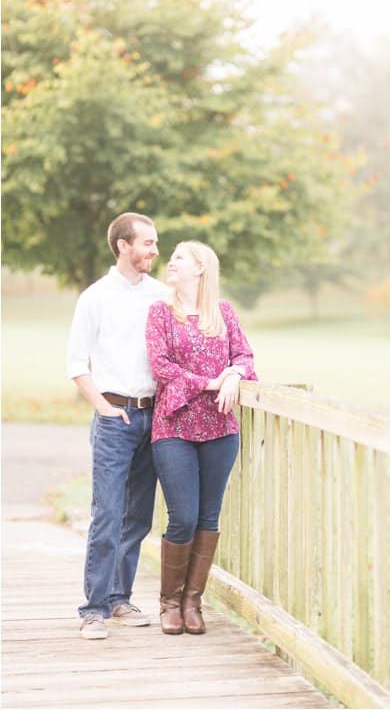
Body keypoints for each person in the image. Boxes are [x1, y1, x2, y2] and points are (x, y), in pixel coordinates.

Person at [144, 240, 256, 634]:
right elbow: (161, 366)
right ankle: (169, 602)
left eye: (178, 259)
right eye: (170, 258)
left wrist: (234, 375)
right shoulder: (160, 312)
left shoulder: (223, 313)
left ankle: (193, 602)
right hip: (174, 427)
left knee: (209, 518)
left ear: (201, 269)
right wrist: (212, 380)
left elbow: (245, 356)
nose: (169, 263)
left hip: (220, 430)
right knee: (183, 517)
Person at [67, 212, 169, 639]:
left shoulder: (162, 296)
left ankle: (119, 597)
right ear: (123, 245)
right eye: (147, 243)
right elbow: (76, 363)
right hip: (115, 417)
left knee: (137, 517)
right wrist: (104, 408)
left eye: (156, 243)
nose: (154, 251)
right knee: (107, 513)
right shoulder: (95, 297)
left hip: (154, 416)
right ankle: (93, 609)